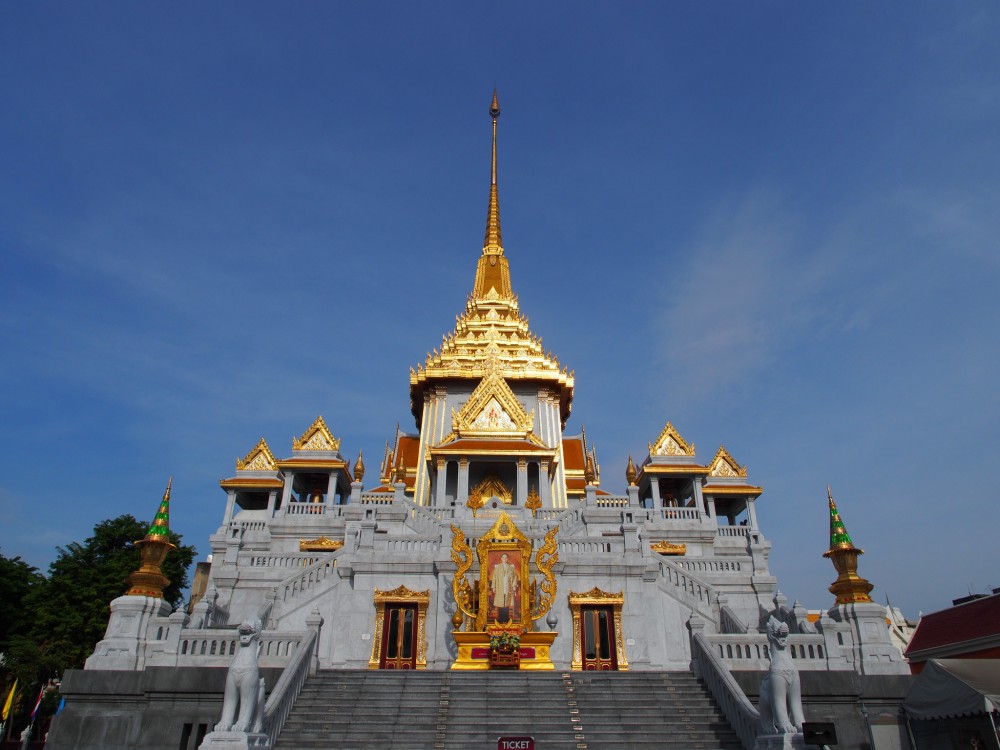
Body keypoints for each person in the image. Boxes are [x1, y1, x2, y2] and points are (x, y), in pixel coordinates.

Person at [491, 553, 517, 621]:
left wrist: (514, 586)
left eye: (506, 558)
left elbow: (515, 577)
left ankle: (506, 618)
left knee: (506, 603)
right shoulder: (497, 568)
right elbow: (494, 578)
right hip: (500, 587)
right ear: (501, 559)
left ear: (507, 559)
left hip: (508, 588)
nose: (504, 559)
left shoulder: (511, 568)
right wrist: (494, 587)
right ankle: (500, 618)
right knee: (501, 603)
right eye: (503, 558)